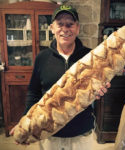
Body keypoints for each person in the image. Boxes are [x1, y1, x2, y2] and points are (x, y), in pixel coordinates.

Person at [10, 5, 110, 150]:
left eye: (70, 24)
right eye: (60, 24)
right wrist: (25, 122)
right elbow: (33, 92)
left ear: (77, 28)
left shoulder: (91, 57)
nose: (65, 29)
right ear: (52, 28)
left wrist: (101, 91)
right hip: (50, 136)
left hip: (81, 134)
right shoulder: (42, 58)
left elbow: (99, 88)